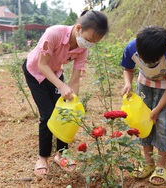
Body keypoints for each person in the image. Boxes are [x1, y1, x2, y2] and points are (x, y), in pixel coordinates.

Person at [22, 10, 109, 176]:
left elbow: (75, 80)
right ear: (78, 28)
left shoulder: (83, 49)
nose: (89, 44)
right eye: (89, 40)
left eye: (93, 43)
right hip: (35, 72)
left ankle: (62, 154)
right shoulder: (54, 34)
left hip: (54, 73)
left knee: (65, 113)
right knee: (47, 115)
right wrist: (62, 87)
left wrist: (73, 103)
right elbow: (42, 65)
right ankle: (43, 157)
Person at [121, 26, 166, 185]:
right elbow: (128, 69)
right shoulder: (131, 48)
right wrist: (128, 83)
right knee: (143, 122)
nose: (149, 63)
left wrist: (157, 110)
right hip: (144, 84)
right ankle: (148, 163)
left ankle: (161, 166)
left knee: (163, 124)